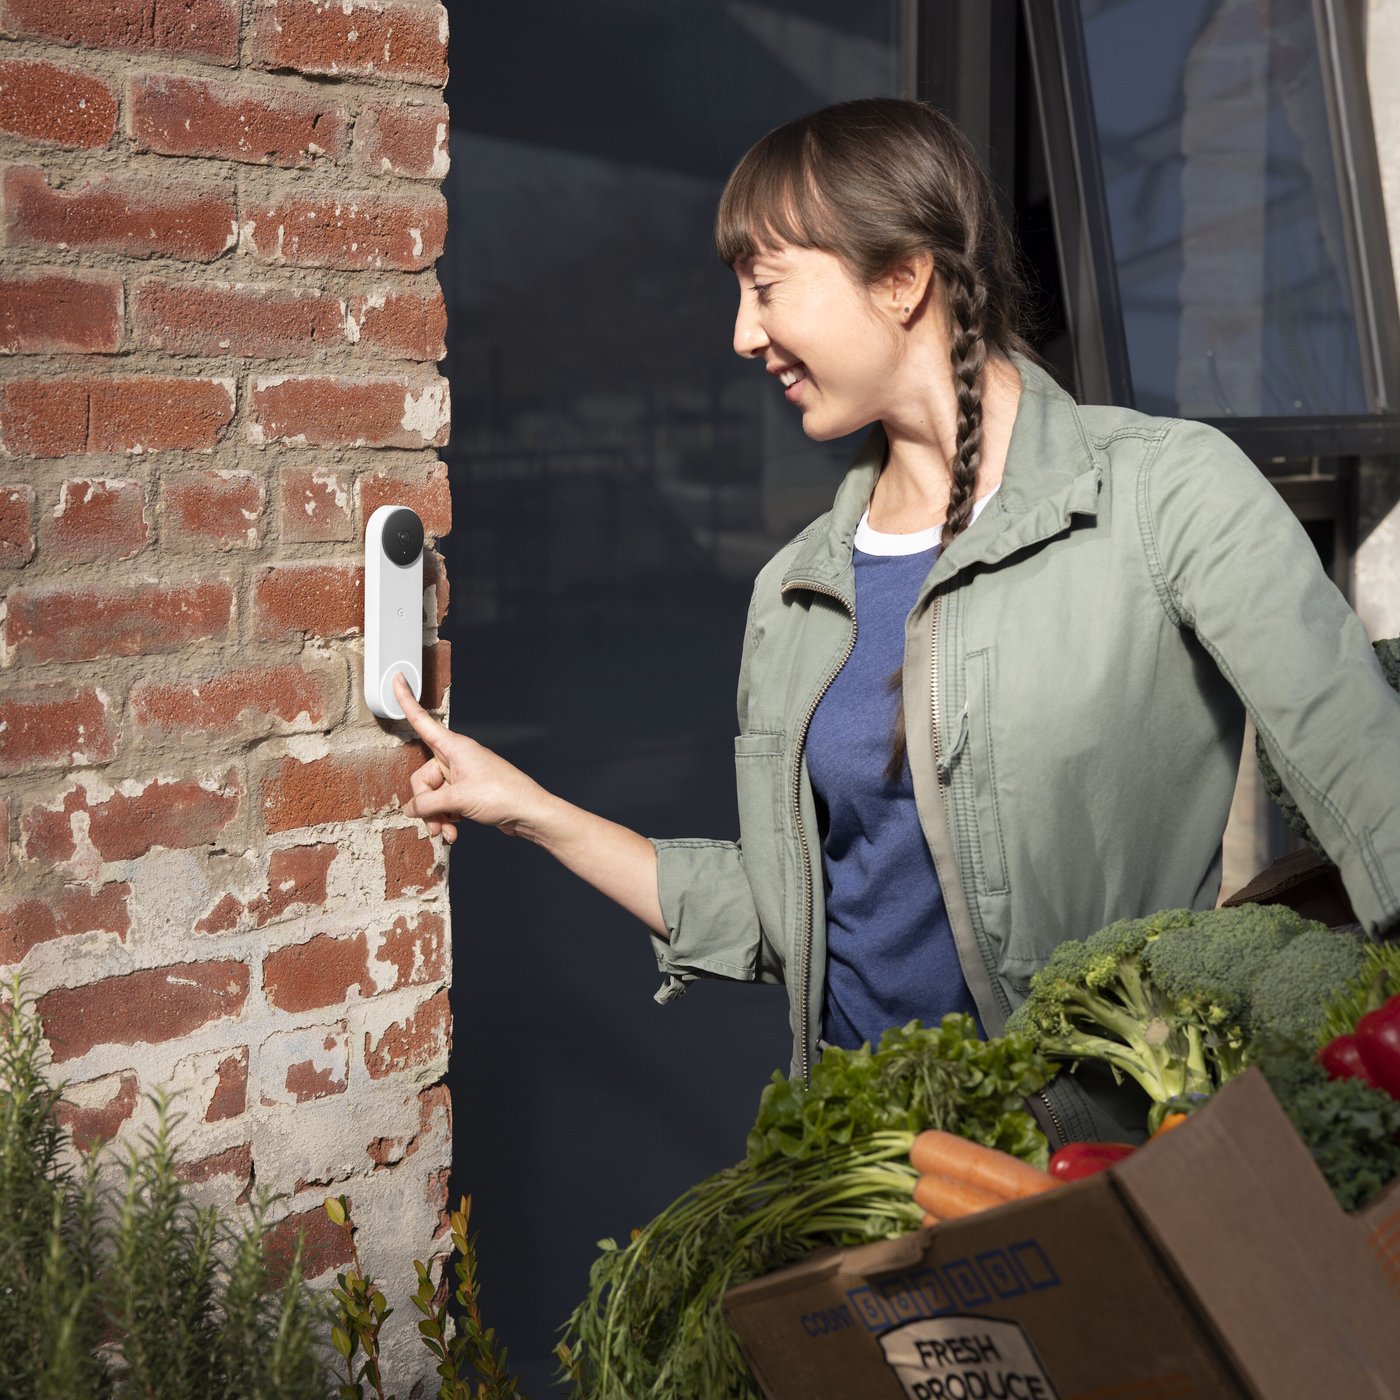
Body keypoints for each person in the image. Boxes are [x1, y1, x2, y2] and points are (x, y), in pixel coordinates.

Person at [392, 99, 1400, 1146]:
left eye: (766, 287)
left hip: (1085, 1158)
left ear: (902, 277)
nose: (742, 333)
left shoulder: (1158, 494)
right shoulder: (796, 590)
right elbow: (804, 917)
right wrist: (530, 809)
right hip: (856, 1161)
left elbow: (1366, 779)